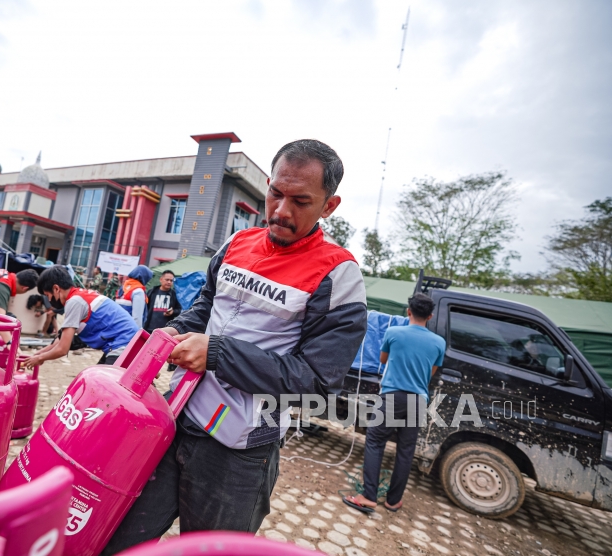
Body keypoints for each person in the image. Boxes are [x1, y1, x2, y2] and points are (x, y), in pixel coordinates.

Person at [102, 139, 367, 554]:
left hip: (239, 452)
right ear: (267, 184)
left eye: (300, 201)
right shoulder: (236, 244)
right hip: (175, 420)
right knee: (119, 540)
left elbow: (317, 382)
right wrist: (175, 333)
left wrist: (218, 354)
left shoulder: (339, 275)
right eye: (276, 193)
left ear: (329, 206)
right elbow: (204, 309)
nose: (281, 211)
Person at [342, 293, 445, 514]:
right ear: (430, 316)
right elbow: (431, 372)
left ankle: (369, 496)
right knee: (406, 450)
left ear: (408, 311)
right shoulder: (439, 342)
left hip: (392, 396)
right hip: (419, 400)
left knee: (375, 441)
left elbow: (382, 360)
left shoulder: (393, 332)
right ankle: (393, 501)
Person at [21, 266, 139, 368]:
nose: (49, 300)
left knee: (102, 387)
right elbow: (59, 340)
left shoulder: (74, 302)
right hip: (124, 342)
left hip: (124, 344)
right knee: (97, 380)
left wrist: (40, 358)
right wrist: (37, 355)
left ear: (56, 289)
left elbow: (62, 349)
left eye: (48, 295)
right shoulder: (79, 296)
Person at [116, 265, 153, 329]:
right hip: (128, 329)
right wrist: (137, 333)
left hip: (117, 326)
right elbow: (137, 318)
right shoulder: (138, 291)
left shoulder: (123, 287)